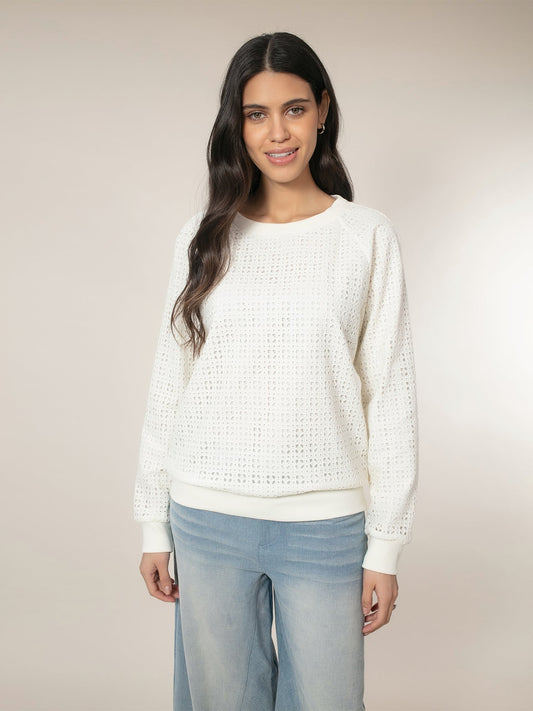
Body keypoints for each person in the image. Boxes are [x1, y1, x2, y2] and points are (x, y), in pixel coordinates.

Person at [133, 31, 419, 711]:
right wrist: (152, 523)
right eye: (255, 114)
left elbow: (391, 395)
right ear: (237, 125)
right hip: (205, 516)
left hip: (324, 525)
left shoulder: (365, 236)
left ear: (322, 109)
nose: (277, 132)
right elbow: (170, 383)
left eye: (293, 109)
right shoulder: (202, 237)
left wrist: (385, 545)